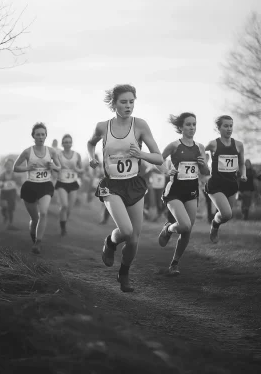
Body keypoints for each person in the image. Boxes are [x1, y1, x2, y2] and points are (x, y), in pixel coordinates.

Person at [87, 84, 163, 292]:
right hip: (112, 185)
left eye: (131, 101)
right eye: (124, 102)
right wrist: (91, 158)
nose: (128, 105)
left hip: (133, 183)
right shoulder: (103, 127)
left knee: (134, 239)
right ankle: (111, 242)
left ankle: (124, 273)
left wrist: (141, 154)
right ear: (114, 104)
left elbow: (158, 157)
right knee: (127, 231)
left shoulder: (140, 125)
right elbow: (90, 143)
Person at [157, 112, 210, 275]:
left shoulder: (200, 147)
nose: (192, 127)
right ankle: (168, 229)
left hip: (192, 191)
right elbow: (157, 160)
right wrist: (167, 170)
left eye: (194, 124)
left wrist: (202, 165)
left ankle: (175, 263)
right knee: (184, 225)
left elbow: (206, 172)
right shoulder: (174, 145)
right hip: (174, 192)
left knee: (187, 230)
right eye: (188, 124)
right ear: (181, 127)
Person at [13, 123, 61, 254]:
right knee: (35, 219)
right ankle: (34, 236)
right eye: (38, 134)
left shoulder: (51, 151)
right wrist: (27, 168)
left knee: (44, 212)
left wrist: (53, 166)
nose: (40, 137)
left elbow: (59, 167)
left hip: (45, 185)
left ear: (46, 136)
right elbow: (15, 167)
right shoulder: (27, 151)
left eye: (43, 134)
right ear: (33, 136)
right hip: (30, 186)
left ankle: (38, 242)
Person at [205, 115, 247, 243]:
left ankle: (215, 223)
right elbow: (200, 151)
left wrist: (243, 174)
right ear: (219, 128)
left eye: (231, 126)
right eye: (225, 126)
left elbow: (241, 163)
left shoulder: (239, 145)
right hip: (216, 185)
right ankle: (214, 226)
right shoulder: (213, 144)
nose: (229, 129)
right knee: (227, 213)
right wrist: (203, 163)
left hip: (231, 184)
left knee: (227, 216)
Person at [55, 134, 84, 236]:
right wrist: (59, 167)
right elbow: (54, 168)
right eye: (65, 142)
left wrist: (76, 169)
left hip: (73, 183)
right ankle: (63, 228)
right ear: (62, 143)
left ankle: (63, 221)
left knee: (69, 208)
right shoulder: (58, 155)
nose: (67, 144)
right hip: (62, 182)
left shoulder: (77, 155)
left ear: (72, 143)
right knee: (64, 205)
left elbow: (82, 170)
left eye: (69, 142)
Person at [0, 158, 18, 230]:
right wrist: (0, 184)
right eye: (8, 165)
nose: (9, 166)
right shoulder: (3, 174)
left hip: (12, 193)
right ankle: (5, 216)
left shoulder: (14, 175)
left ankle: (10, 224)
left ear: (13, 166)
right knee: (3, 208)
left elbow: (20, 183)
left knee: (10, 209)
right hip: (4, 193)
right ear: (5, 166)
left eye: (11, 165)